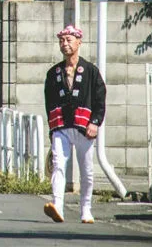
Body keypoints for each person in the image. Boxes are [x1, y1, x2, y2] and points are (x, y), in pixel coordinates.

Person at [43, 25, 106, 225]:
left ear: (79, 42)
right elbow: (49, 102)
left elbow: (100, 99)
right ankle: (57, 205)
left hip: (84, 127)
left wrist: (95, 122)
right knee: (59, 165)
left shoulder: (90, 71)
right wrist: (52, 129)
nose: (65, 44)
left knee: (86, 170)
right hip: (61, 125)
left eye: (69, 40)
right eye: (62, 40)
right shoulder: (54, 73)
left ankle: (86, 209)